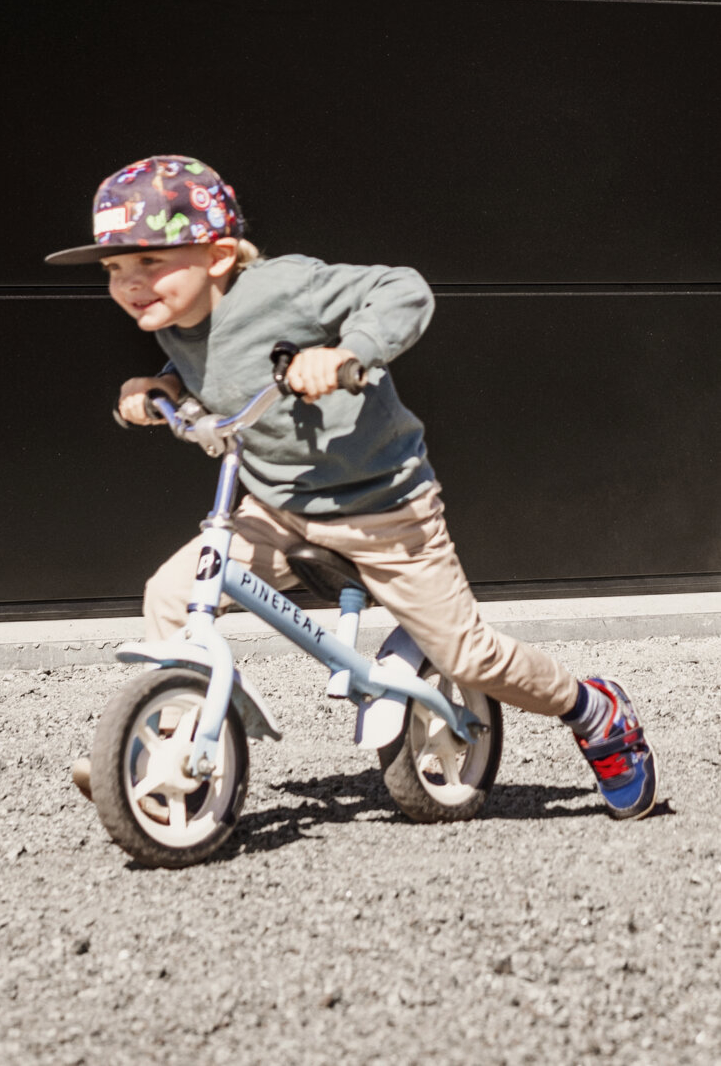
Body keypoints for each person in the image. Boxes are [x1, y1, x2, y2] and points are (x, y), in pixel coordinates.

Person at [47, 155, 657, 821]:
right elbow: (218, 362)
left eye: (149, 261)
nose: (130, 284)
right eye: (114, 270)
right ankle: (178, 747)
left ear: (218, 256)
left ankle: (594, 709)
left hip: (384, 511)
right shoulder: (175, 315)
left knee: (469, 657)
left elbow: (402, 289)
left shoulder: (287, 288)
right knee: (171, 594)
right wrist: (161, 385)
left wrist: (347, 352)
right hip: (277, 507)